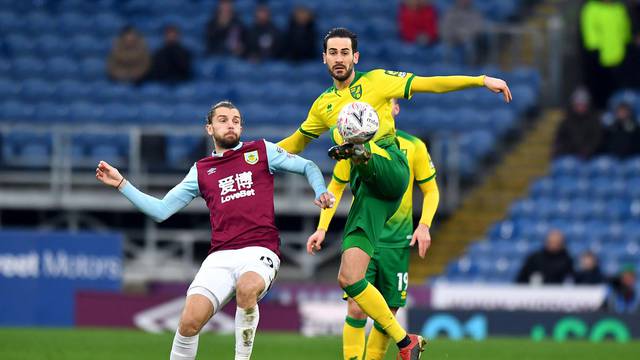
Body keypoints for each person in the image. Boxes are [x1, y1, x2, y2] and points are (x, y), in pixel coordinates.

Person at [277, 27, 511, 359]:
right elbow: (297, 144)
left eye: (346, 52)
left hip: (391, 168)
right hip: (368, 194)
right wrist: (254, 155)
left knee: (355, 147)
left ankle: (359, 149)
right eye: (334, 52)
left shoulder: (377, 82)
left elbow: (429, 83)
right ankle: (406, 342)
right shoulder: (323, 105)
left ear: (355, 57)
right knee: (349, 279)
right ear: (324, 58)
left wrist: (479, 79)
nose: (339, 58)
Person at [95, 101, 334, 360]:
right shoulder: (201, 171)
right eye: (222, 119)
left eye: (235, 120)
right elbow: (161, 210)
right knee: (188, 323)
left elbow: (308, 166)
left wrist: (321, 190)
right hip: (220, 256)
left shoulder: (261, 151)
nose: (230, 124)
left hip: (260, 250)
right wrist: (121, 183)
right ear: (209, 128)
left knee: (247, 288)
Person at [308, 100, 439, 360]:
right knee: (356, 307)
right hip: (368, 235)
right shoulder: (357, 146)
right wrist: (322, 227)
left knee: (387, 315)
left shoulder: (414, 147)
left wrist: (424, 225)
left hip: (397, 240)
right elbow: (336, 186)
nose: (379, 109)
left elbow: (431, 190)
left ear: (395, 109)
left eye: (385, 104)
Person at [580, 0, 632, 109]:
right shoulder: (591, 8)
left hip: (620, 59)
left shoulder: (619, 8)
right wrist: (595, 53)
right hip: (600, 59)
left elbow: (625, 31)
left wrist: (627, 48)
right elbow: (590, 34)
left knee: (619, 95)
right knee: (601, 91)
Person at [552, 87, 603, 160]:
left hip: (588, 157)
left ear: (587, 105)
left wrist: (586, 152)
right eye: (578, 104)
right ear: (573, 105)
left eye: (582, 104)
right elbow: (560, 140)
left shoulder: (594, 121)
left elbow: (596, 140)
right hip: (568, 157)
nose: (580, 107)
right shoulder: (566, 121)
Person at [440, 0, 486, 65]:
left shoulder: (475, 12)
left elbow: (478, 28)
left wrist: (464, 35)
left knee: (469, 47)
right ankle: (447, 70)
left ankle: (470, 70)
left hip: (468, 39)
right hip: (452, 39)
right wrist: (453, 36)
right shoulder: (450, 12)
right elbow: (445, 28)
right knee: (442, 49)